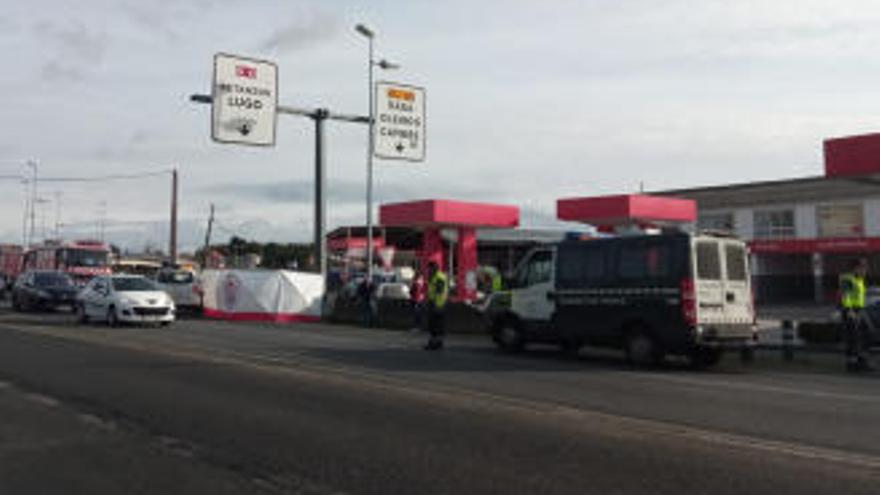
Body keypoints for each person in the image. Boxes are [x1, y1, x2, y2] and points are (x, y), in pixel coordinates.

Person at [839, 258, 873, 372]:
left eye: (866, 268)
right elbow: (845, 296)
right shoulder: (848, 279)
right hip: (851, 311)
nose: (865, 270)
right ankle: (852, 364)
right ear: (856, 268)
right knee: (853, 338)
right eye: (863, 268)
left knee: (865, 335)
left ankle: (861, 361)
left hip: (860, 310)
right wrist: (849, 310)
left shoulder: (859, 279)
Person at [424, 261, 448, 351]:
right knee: (435, 325)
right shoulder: (433, 276)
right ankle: (437, 343)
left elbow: (439, 291)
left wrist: (435, 303)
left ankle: (435, 343)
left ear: (433, 268)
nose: (428, 270)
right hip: (434, 303)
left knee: (435, 325)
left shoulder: (439, 277)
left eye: (429, 268)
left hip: (438, 304)